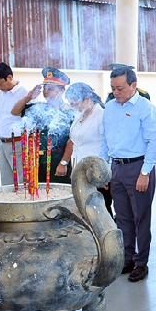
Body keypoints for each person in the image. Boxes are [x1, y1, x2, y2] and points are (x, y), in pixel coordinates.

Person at [99, 66, 156, 283]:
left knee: (140, 217)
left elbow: (154, 142)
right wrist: (104, 170)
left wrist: (145, 172)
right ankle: (127, 258)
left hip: (138, 168)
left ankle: (141, 262)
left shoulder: (146, 108)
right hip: (116, 168)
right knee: (122, 216)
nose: (116, 92)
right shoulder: (109, 108)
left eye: (121, 88)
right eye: (113, 88)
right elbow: (104, 140)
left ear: (133, 86)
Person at [10, 67, 74, 184]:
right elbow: (15, 111)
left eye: (50, 88)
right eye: (44, 87)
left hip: (57, 161)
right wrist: (29, 97)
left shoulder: (68, 111)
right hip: (37, 162)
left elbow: (72, 140)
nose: (45, 91)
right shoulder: (39, 108)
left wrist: (63, 162)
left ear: (61, 91)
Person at [65, 83, 112, 215]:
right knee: (84, 209)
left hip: (96, 171)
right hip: (80, 171)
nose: (74, 107)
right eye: (71, 104)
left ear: (87, 99)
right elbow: (76, 145)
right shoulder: (78, 116)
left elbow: (107, 146)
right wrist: (74, 169)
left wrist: (103, 175)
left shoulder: (101, 115)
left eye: (75, 103)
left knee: (101, 210)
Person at [0, 62, 27, 186]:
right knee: (6, 183)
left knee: (22, 183)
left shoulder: (24, 93)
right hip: (3, 143)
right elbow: (0, 120)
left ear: (10, 78)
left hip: (18, 143)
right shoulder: (0, 95)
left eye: (0, 83)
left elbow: (30, 123)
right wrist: (0, 145)